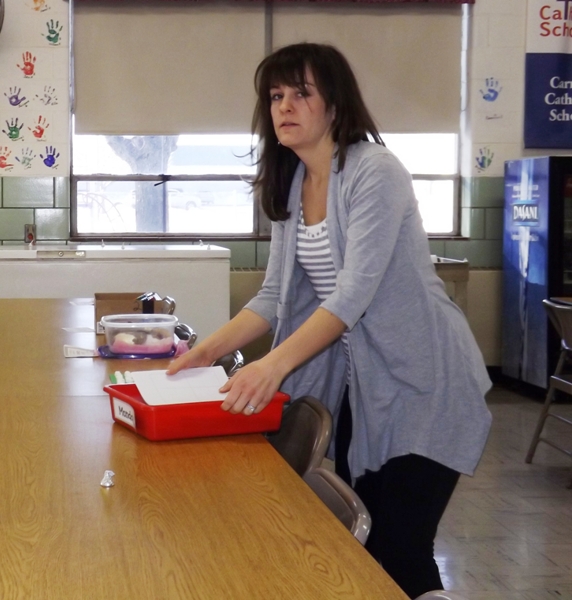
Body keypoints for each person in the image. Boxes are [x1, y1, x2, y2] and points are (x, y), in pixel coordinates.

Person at [168, 42, 492, 599]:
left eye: (301, 93)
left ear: (336, 103)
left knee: (402, 549)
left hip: (425, 382)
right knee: (369, 547)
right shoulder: (294, 183)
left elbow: (351, 295)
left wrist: (272, 366)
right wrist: (203, 352)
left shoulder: (375, 171)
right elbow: (274, 294)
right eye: (275, 96)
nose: (284, 107)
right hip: (364, 388)